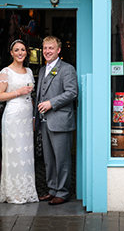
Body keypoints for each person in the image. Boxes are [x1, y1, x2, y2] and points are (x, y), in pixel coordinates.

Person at [35, 36, 78, 205]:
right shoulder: (42, 70)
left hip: (60, 121)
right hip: (44, 122)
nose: (47, 51)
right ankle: (52, 189)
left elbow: (72, 92)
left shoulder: (67, 69)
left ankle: (63, 191)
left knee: (62, 159)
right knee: (49, 160)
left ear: (58, 50)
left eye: (51, 48)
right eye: (45, 48)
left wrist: (51, 103)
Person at [0, 39, 38, 204]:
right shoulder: (6, 72)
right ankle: (14, 192)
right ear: (11, 53)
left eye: (23, 50)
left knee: (26, 153)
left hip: (26, 117)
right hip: (13, 115)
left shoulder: (28, 71)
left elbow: (31, 96)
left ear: (26, 52)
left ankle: (26, 190)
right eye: (17, 50)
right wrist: (18, 92)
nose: (20, 53)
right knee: (14, 152)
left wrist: (33, 118)